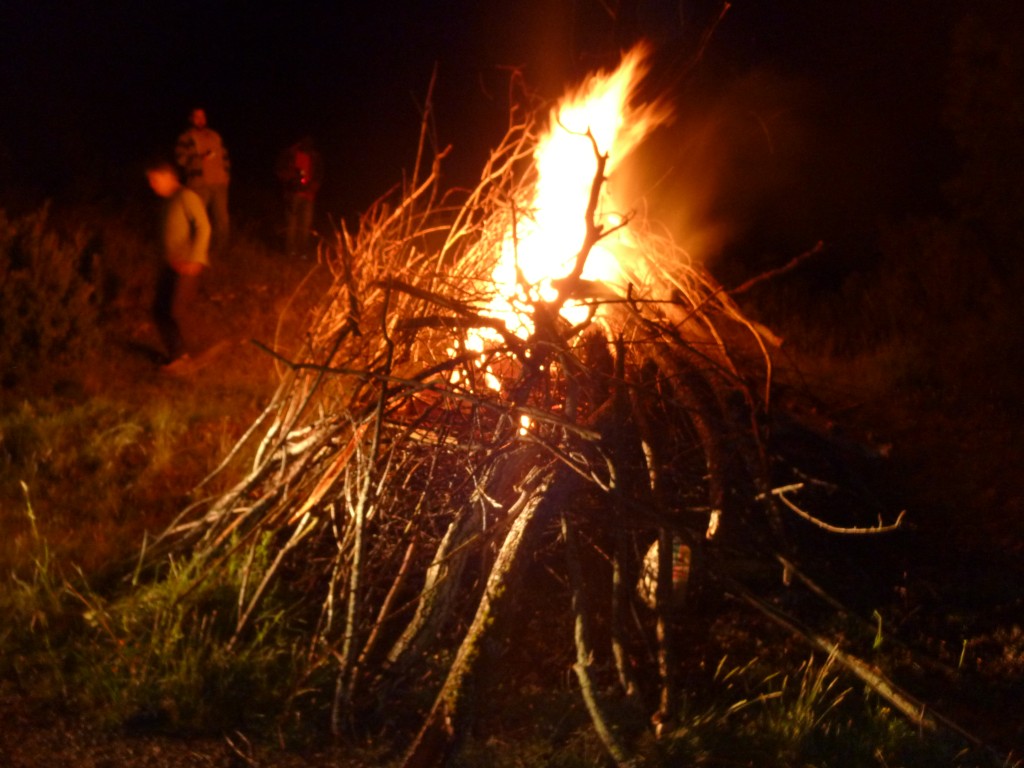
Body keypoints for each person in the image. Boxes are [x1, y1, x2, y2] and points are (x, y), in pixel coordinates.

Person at [145, 159, 211, 369]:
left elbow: (204, 227)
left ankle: (189, 354)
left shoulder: (186, 196)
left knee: (176, 312)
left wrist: (196, 258)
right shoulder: (167, 202)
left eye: (155, 180)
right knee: (159, 310)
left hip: (187, 265)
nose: (152, 185)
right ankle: (178, 355)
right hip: (170, 264)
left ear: (169, 177)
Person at [175, 107, 230, 253]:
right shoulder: (186, 137)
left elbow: (224, 157)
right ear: (191, 119)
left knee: (222, 220)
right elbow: (181, 160)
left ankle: (221, 251)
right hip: (199, 184)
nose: (201, 119)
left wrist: (227, 175)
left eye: (203, 116)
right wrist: (199, 157)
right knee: (198, 220)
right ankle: (194, 249)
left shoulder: (215, 136)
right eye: (197, 117)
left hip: (219, 183)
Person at [276, 136, 323, 258]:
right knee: (291, 224)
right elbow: (281, 171)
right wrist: (291, 181)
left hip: (308, 196)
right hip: (293, 194)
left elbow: (319, 175)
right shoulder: (290, 154)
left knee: (305, 225)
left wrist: (312, 187)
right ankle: (291, 252)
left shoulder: (314, 157)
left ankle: (302, 252)